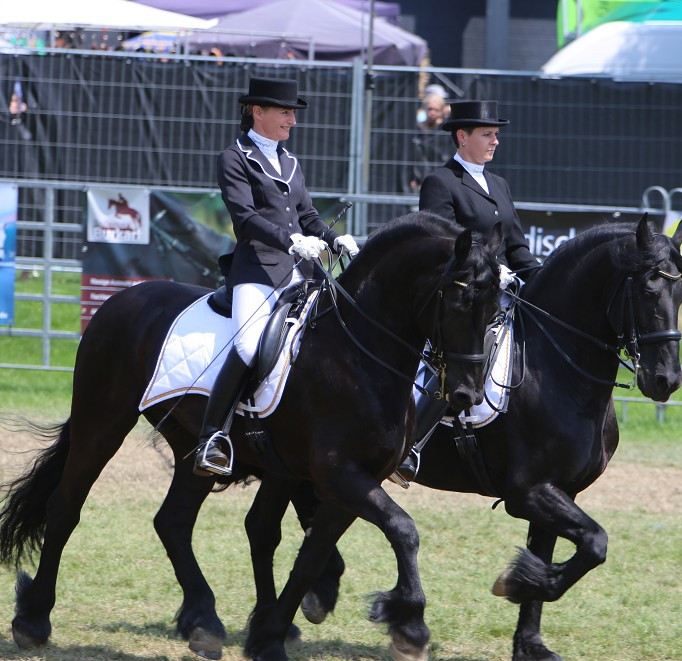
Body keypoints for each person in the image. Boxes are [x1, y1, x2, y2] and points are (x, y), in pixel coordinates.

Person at [195, 76, 359, 477]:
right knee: (251, 347)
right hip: (256, 271)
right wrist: (290, 241)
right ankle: (212, 436)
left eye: (293, 113)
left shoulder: (290, 162)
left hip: (298, 272)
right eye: (286, 112)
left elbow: (308, 216)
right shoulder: (234, 157)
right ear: (258, 111)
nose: (292, 121)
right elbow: (245, 217)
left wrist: (335, 241)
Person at [391, 99, 541, 486]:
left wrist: (537, 275)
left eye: (496, 135)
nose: (495, 142)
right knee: (462, 355)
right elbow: (444, 241)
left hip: (504, 290)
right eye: (487, 135)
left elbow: (517, 245)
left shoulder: (499, 184)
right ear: (462, 137)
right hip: (464, 298)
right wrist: (492, 271)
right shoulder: (441, 182)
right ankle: (410, 447)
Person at [406, 84, 451, 193]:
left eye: (436, 110)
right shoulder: (416, 129)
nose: (433, 113)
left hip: (440, 177)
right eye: (430, 109)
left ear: (442, 111)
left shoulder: (446, 130)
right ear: (424, 109)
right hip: (419, 178)